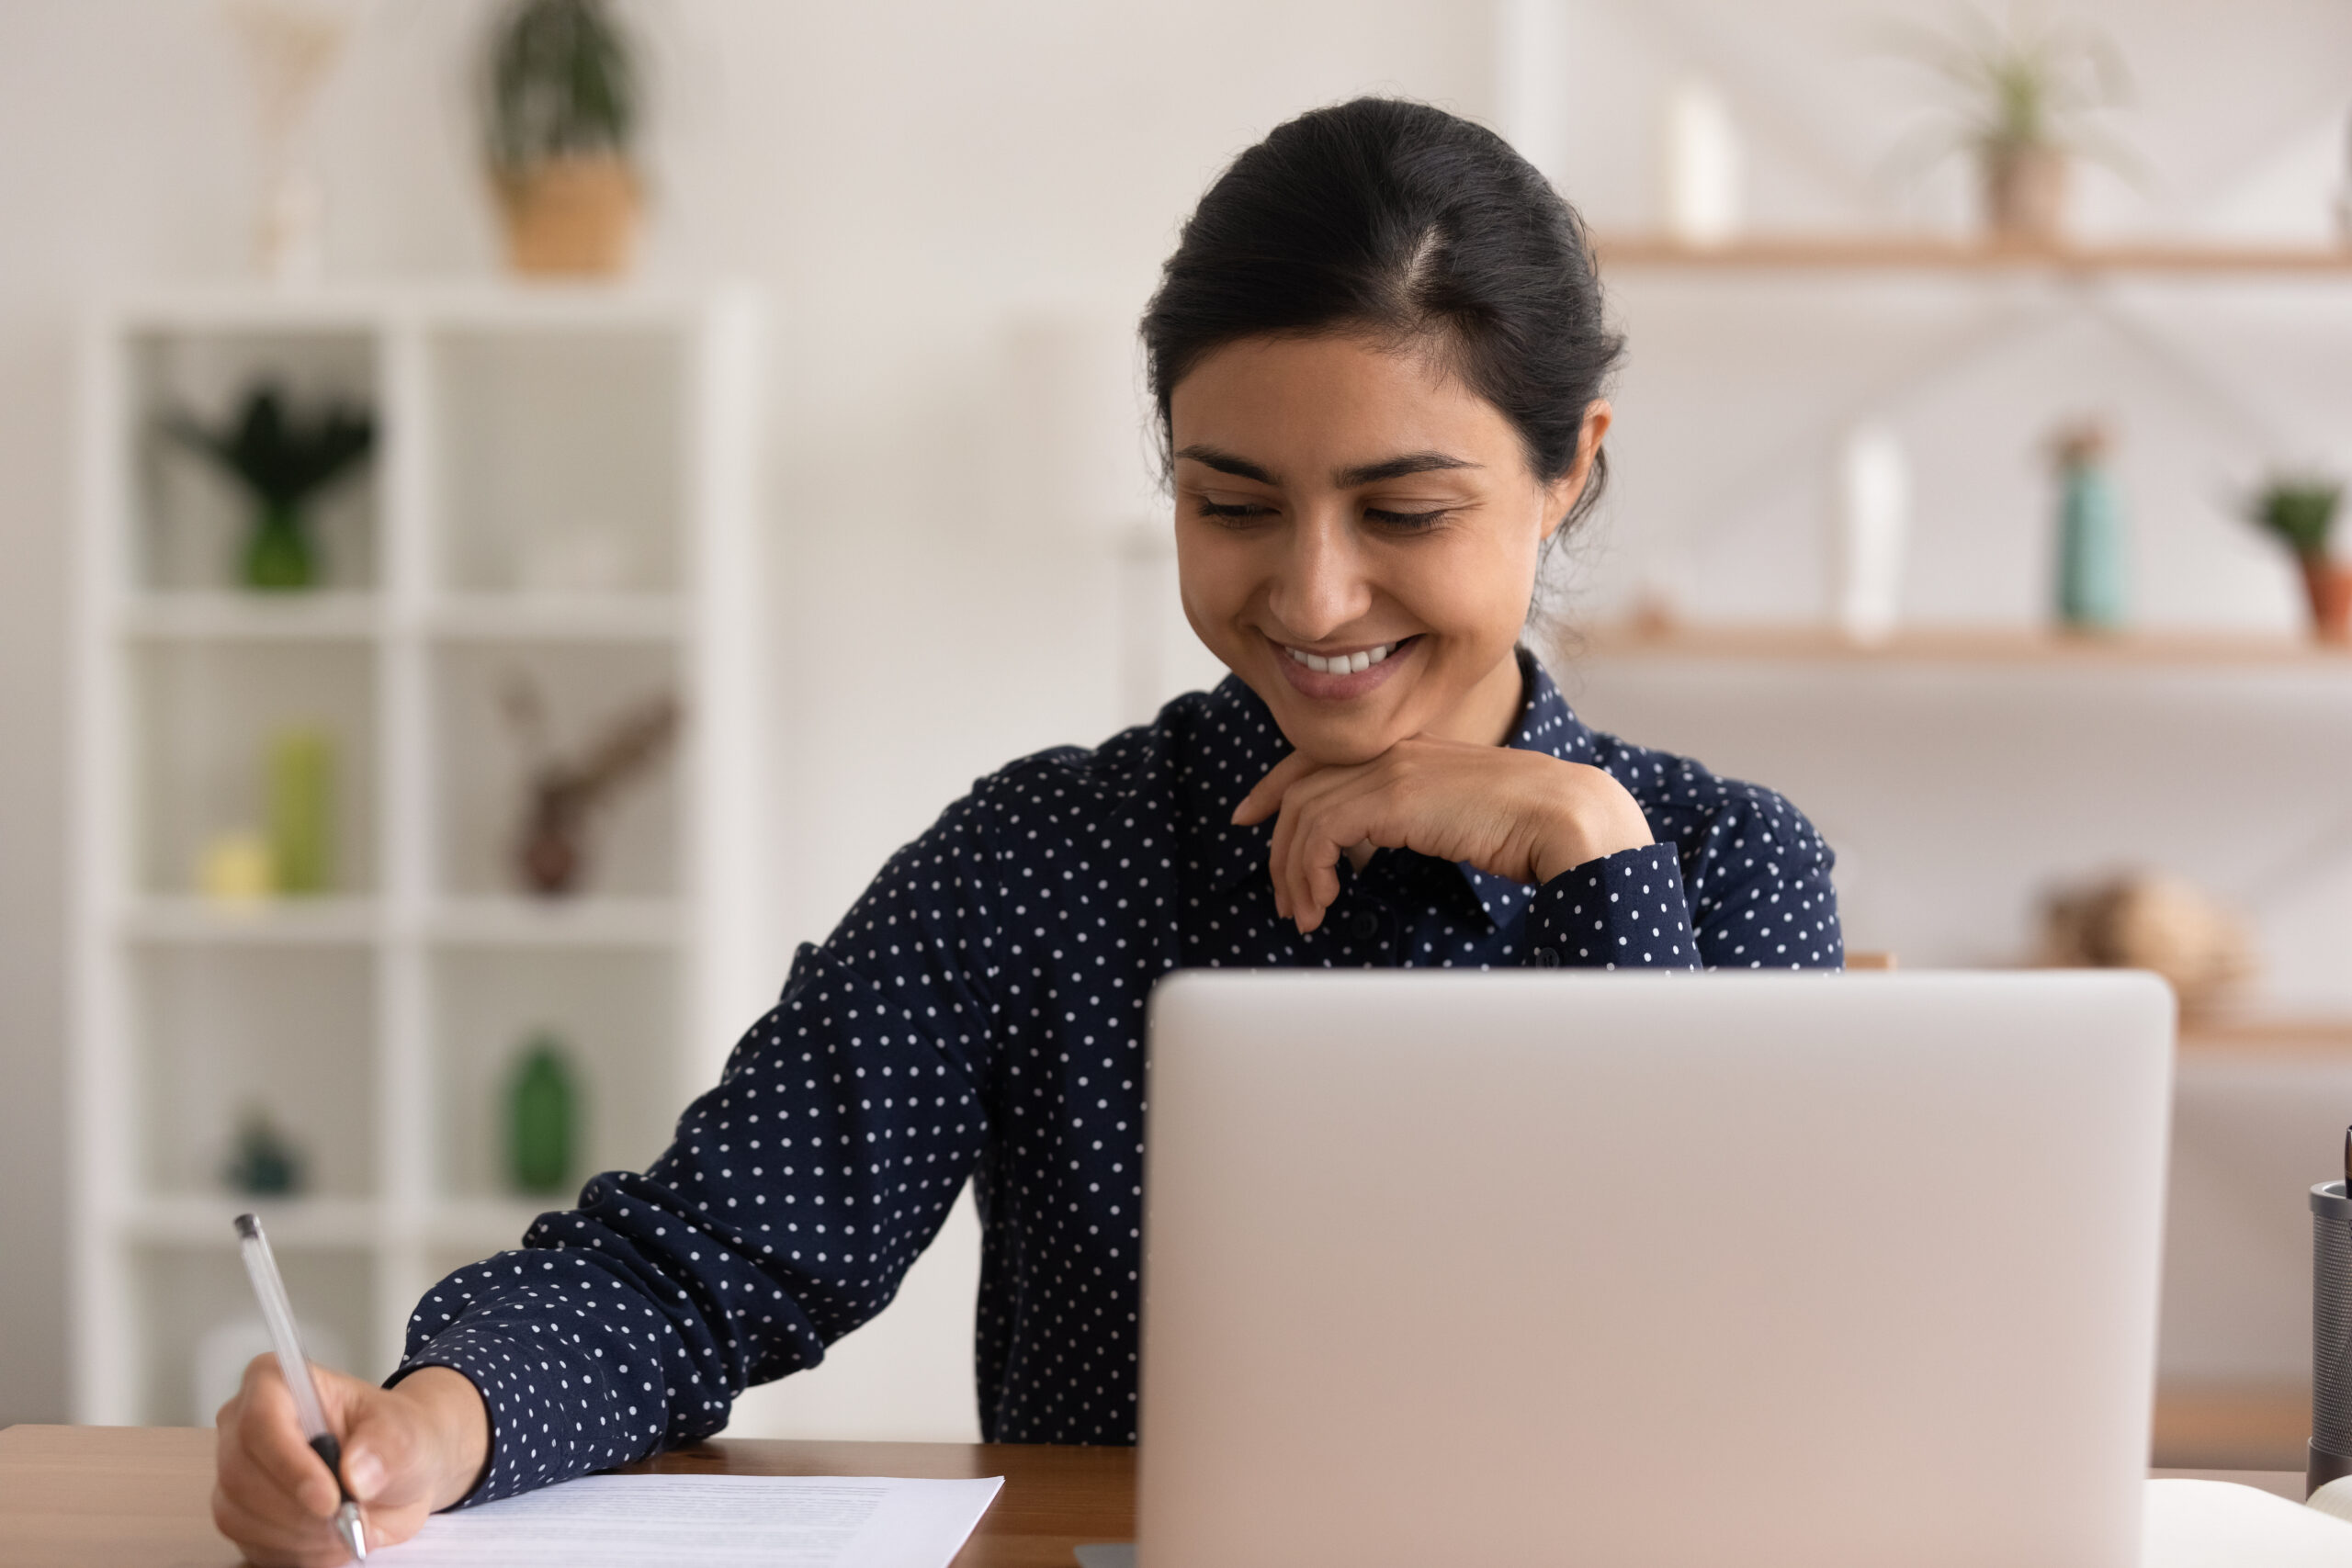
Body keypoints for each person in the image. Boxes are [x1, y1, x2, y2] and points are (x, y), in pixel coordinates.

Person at [212, 96, 1841, 1564]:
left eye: (1405, 512)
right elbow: (706, 1257)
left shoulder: (1726, 868)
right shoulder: (1051, 857)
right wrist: (435, 1419)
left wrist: (1597, 864)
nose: (1312, 594)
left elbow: (1746, 1385)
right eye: (1232, 503)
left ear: (1570, 474)